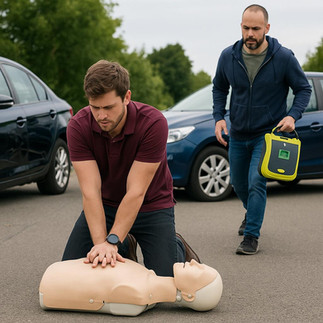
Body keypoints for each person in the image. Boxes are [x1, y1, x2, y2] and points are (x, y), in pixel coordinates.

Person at [62, 60, 200, 276]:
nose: (101, 116)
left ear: (127, 97)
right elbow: (90, 192)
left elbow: (136, 191)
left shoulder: (153, 123)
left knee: (166, 279)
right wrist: (103, 246)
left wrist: (112, 240)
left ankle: (176, 246)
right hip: (105, 206)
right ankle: (124, 244)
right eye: (94, 107)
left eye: (108, 107)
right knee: (71, 272)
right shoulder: (78, 126)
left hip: (151, 205)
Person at [212, 4, 311, 255]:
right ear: (241, 27)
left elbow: (303, 89)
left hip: (268, 134)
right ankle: (251, 213)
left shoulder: (283, 57)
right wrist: (218, 117)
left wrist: (292, 115)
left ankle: (251, 236)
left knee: (256, 181)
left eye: (256, 28)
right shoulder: (228, 56)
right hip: (238, 132)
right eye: (246, 28)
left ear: (267, 28)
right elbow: (219, 88)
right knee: (238, 183)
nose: (250, 34)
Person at [39, 259, 223, 316]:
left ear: (189, 296)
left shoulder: (137, 295)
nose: (193, 261)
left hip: (52, 282)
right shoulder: (143, 276)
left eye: (199, 270)